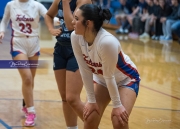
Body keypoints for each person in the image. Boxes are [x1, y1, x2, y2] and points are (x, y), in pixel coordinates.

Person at [71, 4, 140, 129]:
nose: (72, 22)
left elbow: (110, 76)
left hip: (126, 78)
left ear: (88, 23)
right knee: (90, 116)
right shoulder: (75, 37)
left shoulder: (107, 42)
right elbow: (85, 70)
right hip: (102, 79)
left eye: (76, 19)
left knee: (119, 120)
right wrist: (91, 101)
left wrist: (117, 105)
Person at [0, 0, 59, 126]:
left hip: (34, 44)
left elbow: (49, 16)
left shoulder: (36, 5)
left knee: (30, 80)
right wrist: (2, 31)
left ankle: (26, 104)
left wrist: (61, 21)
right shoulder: (11, 5)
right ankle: (31, 112)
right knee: (26, 77)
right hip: (18, 44)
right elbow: (4, 20)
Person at [44, 0, 91, 129]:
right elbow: (48, 15)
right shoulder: (57, 1)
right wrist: (51, 29)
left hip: (77, 50)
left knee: (72, 98)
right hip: (60, 49)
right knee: (65, 98)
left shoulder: (83, 1)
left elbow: (71, 25)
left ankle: (93, 126)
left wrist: (65, 2)